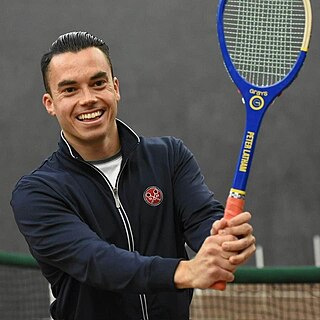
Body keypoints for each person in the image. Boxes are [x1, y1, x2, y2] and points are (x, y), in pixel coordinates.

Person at [11, 31, 256, 320]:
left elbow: (203, 219)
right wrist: (185, 271)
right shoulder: (37, 193)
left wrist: (222, 241)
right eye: (70, 90)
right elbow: (96, 261)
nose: (88, 99)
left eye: (98, 83)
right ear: (50, 103)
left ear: (115, 88)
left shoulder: (169, 156)